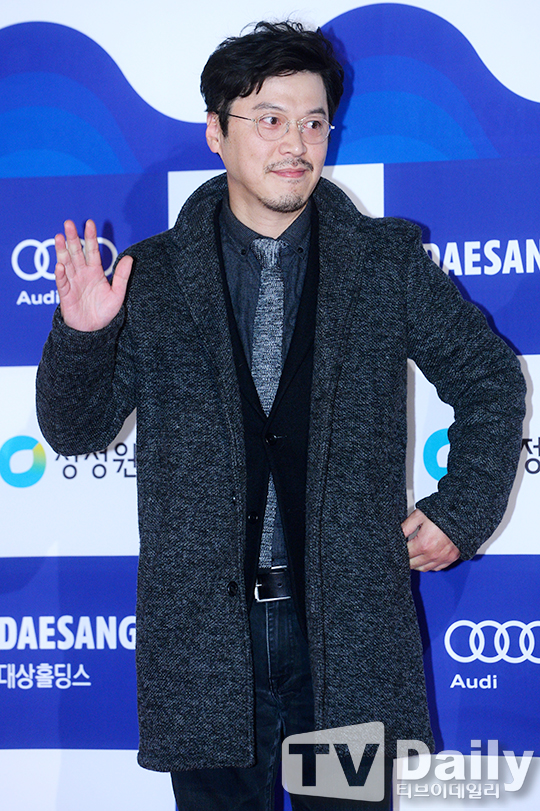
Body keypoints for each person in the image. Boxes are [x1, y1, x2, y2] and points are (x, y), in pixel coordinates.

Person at [36, 20, 526, 811]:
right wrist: (85, 336)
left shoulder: (384, 263)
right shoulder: (151, 276)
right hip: (206, 647)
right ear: (216, 132)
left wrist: (460, 510)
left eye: (313, 122)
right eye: (269, 119)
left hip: (347, 639)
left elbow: (491, 379)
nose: (296, 143)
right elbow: (75, 428)